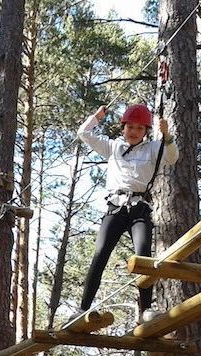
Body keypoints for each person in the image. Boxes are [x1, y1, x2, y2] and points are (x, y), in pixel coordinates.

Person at [75, 103, 179, 323]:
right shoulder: (113, 147)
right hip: (115, 207)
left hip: (139, 207)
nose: (133, 132)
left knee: (143, 256)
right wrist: (96, 117)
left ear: (146, 131)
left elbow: (172, 157)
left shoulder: (154, 148)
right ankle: (83, 308)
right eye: (130, 127)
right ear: (123, 128)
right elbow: (83, 133)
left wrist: (167, 134)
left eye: (139, 129)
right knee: (100, 253)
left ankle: (145, 311)